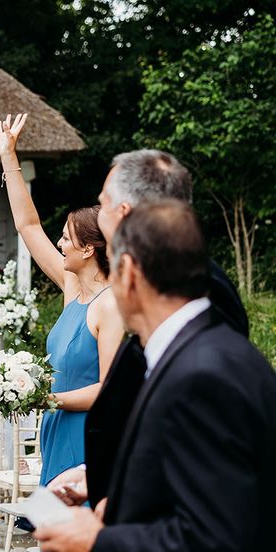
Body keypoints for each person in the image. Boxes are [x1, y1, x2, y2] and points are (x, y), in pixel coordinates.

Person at [35, 200, 276, 552]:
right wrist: (107, 492)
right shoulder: (200, 351)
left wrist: (97, 544)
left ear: (128, 271)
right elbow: (191, 493)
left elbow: (218, 539)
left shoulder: (205, 373)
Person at [46, 148, 249, 511]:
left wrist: (108, 538)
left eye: (102, 202)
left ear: (123, 214)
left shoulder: (209, 347)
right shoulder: (182, 289)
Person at [0, 114, 123, 552]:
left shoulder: (110, 307)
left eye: (70, 237)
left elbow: (111, 389)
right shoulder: (73, 290)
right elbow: (25, 222)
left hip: (86, 443)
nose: (61, 243)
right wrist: (7, 154)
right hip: (55, 448)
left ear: (91, 249)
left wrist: (41, 395)